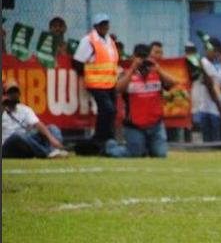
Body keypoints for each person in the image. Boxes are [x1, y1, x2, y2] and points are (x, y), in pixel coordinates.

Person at [109, 43, 176, 157]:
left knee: (161, 155)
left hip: (155, 124)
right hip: (134, 125)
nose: (143, 60)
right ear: (133, 57)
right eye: (139, 57)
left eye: (145, 57)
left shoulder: (156, 73)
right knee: (135, 154)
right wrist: (132, 69)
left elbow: (172, 83)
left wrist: (158, 70)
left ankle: (148, 147)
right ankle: (110, 147)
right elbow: (118, 88)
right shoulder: (126, 73)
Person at [72, 13, 119, 150]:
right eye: (101, 24)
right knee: (107, 110)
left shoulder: (109, 40)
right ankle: (100, 139)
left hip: (110, 83)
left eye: (106, 24)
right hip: (96, 83)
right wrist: (87, 75)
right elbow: (77, 62)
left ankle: (107, 138)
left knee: (112, 111)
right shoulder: (89, 40)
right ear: (96, 26)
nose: (104, 27)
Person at [2, 80, 68, 159]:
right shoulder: (2, 111)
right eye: (10, 92)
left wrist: (51, 139)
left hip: (26, 141)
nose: (13, 95)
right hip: (8, 144)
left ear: (19, 94)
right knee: (17, 136)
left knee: (52, 128)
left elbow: (37, 124)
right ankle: (47, 153)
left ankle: (55, 150)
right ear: (5, 95)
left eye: (15, 92)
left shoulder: (25, 109)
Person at [191, 37, 221, 142]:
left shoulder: (212, 66)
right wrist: (220, 108)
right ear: (207, 49)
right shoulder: (205, 63)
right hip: (210, 110)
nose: (216, 54)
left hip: (212, 109)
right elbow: (210, 88)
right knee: (213, 142)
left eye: (217, 51)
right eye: (214, 51)